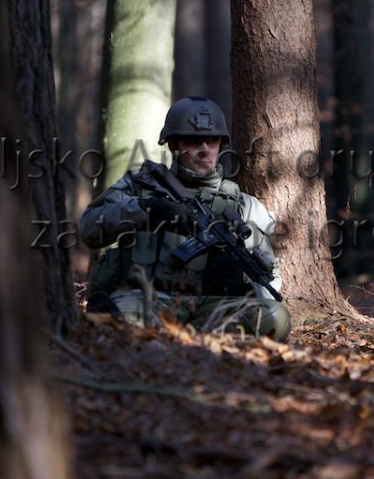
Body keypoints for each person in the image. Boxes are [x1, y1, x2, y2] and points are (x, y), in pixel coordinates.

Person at [80, 96, 291, 341]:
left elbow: (271, 279)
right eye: (193, 141)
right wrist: (144, 209)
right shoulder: (139, 188)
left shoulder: (243, 204)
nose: (204, 150)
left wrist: (238, 282)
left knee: (275, 318)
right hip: (145, 299)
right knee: (128, 329)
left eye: (211, 141)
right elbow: (89, 229)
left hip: (211, 307)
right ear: (173, 144)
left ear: (221, 145)